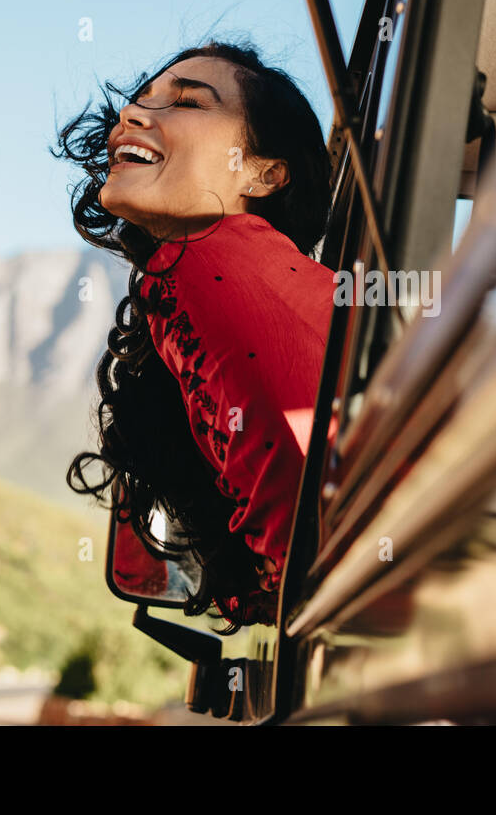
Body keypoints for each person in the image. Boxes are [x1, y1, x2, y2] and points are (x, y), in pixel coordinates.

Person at [56, 38, 334, 632]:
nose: (131, 115)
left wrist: (285, 601)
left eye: (187, 102)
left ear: (263, 174)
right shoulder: (199, 285)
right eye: (140, 102)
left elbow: (312, 527)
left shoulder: (207, 261)